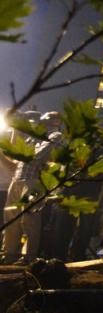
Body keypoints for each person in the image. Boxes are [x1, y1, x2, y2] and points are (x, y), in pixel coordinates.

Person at [2, 111, 62, 264]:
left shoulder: (55, 136)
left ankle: (28, 257)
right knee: (11, 218)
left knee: (29, 220)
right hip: (18, 179)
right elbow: (17, 154)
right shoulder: (33, 137)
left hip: (35, 181)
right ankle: (9, 254)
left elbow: (38, 156)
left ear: (54, 121)